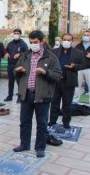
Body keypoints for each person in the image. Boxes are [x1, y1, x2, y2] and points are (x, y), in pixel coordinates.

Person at [13, 30, 62, 158]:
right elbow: (16, 72)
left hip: (42, 96)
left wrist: (45, 72)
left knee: (42, 123)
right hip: (26, 94)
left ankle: (40, 147)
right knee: (24, 122)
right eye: (31, 42)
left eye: (35, 42)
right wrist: (17, 71)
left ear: (42, 41)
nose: (33, 45)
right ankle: (24, 144)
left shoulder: (51, 57)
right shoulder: (25, 56)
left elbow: (58, 75)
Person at [49, 33, 85, 129]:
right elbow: (49, 64)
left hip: (69, 82)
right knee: (54, 103)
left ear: (72, 41)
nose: (66, 41)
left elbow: (82, 65)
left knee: (67, 104)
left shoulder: (78, 53)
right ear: (61, 40)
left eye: (68, 40)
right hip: (56, 82)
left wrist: (74, 66)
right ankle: (52, 121)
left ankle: (66, 123)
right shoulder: (54, 51)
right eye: (64, 39)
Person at [74, 30, 90, 109]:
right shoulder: (78, 46)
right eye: (85, 35)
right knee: (77, 86)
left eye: (88, 35)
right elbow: (74, 56)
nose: (86, 36)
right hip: (80, 68)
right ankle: (74, 100)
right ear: (82, 36)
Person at [4, 29, 29, 102]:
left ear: (20, 35)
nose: (16, 34)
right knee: (10, 82)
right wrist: (6, 53)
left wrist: (20, 54)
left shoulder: (23, 44)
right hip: (10, 65)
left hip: (18, 66)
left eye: (17, 33)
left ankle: (20, 97)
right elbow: (6, 50)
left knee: (19, 82)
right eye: (15, 33)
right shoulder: (10, 43)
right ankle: (10, 96)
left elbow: (27, 53)